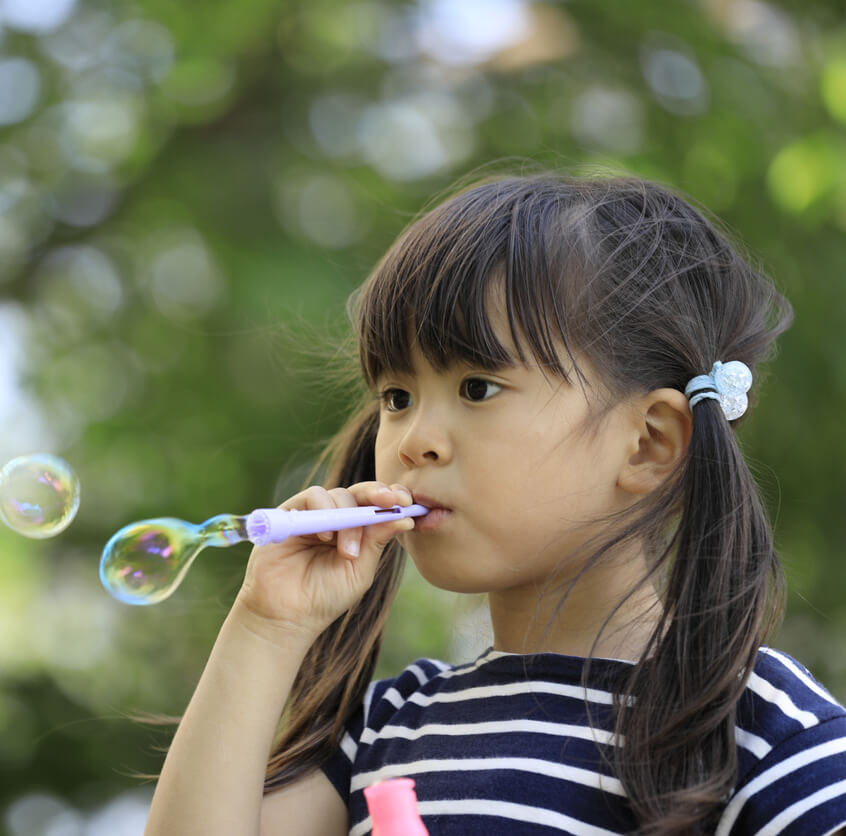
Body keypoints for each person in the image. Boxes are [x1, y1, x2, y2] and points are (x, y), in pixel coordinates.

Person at [143, 172, 846, 835]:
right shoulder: (391, 727)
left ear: (648, 444)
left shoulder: (761, 734)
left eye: (477, 387)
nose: (415, 440)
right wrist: (267, 628)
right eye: (397, 397)